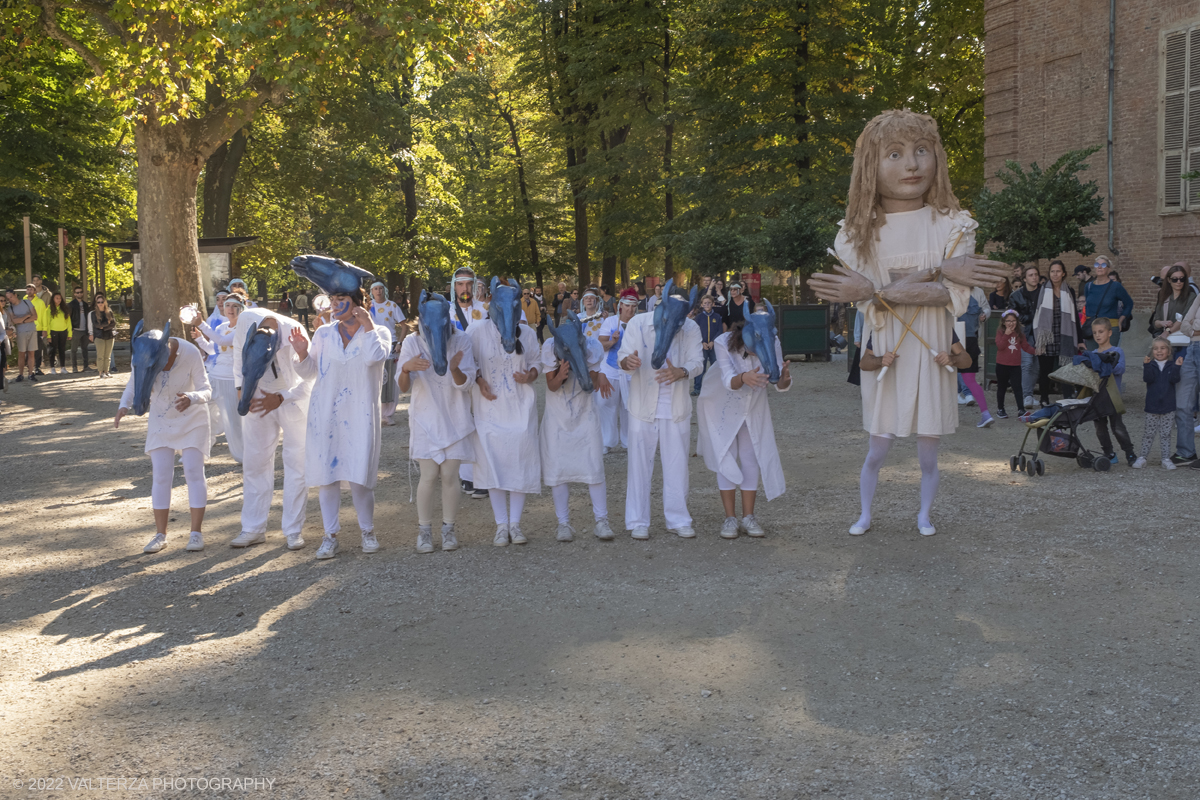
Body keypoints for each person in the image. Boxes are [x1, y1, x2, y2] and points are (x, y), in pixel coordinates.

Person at [807, 109, 1008, 537]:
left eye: (921, 151)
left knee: (929, 455)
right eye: (894, 154)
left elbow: (951, 298)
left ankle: (924, 515)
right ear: (869, 168)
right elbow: (909, 291)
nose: (912, 165)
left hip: (934, 351)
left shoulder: (953, 225)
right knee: (876, 451)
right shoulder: (858, 234)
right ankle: (864, 514)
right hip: (888, 356)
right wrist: (935, 276)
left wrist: (879, 289)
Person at [293, 278, 392, 559]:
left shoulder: (379, 331)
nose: (334, 306)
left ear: (357, 302)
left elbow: (376, 357)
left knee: (360, 476)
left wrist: (368, 326)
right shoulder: (324, 334)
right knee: (328, 476)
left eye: (340, 300)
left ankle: (367, 532)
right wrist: (301, 352)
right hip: (326, 413)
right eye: (332, 300)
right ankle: (330, 535)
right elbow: (311, 372)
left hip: (360, 413)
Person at [617, 283, 704, 539]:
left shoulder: (690, 327)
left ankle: (677, 519)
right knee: (639, 465)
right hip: (642, 406)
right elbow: (623, 357)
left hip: (675, 407)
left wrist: (683, 371)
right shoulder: (638, 324)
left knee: (677, 464)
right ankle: (637, 520)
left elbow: (698, 361)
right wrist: (628, 362)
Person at [114, 324, 212, 554]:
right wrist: (124, 405)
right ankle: (160, 535)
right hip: (160, 418)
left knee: (193, 472)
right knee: (160, 475)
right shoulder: (143, 351)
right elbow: (134, 382)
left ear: (170, 351)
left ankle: (196, 533)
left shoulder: (189, 352)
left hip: (192, 418)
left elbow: (207, 389)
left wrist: (192, 396)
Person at [696, 315, 792, 539]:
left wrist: (785, 378)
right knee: (726, 455)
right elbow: (729, 380)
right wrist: (744, 377)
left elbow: (779, 382)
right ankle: (730, 518)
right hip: (720, 404)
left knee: (751, 456)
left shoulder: (773, 340)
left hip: (754, 406)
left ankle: (748, 516)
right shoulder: (723, 342)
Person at [228, 306, 313, 550]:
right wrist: (239, 388)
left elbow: (310, 380)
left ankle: (293, 529)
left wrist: (281, 397)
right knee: (255, 460)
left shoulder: (297, 334)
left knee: (296, 463)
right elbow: (237, 355)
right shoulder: (246, 320)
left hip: (291, 396)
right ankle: (253, 527)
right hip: (255, 393)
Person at [398, 294, 476, 553]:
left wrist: (454, 368)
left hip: (455, 417)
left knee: (450, 476)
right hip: (425, 418)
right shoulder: (412, 342)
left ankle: (449, 528)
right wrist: (406, 368)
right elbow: (403, 387)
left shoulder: (461, 339)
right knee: (429, 476)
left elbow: (466, 385)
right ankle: (424, 531)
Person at [468, 281, 542, 545]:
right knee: (493, 463)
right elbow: (470, 364)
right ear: (491, 303)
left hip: (520, 406)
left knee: (519, 460)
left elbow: (535, 363)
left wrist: (530, 375)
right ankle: (501, 524)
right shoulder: (476, 331)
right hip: (490, 407)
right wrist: (478, 380)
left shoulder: (528, 333)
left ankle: (516, 524)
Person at [540, 317, 615, 542]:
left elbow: (589, 384)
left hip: (585, 413)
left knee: (593, 466)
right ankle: (563, 523)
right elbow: (551, 386)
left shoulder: (592, 347)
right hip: (558, 417)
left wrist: (595, 374)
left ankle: (601, 521)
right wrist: (561, 376)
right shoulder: (550, 348)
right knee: (558, 469)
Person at [448, 266, 489, 497]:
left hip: (484, 374)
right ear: (454, 286)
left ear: (475, 286)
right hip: (456, 376)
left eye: (469, 284)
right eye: (460, 284)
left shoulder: (486, 310)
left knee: (483, 425)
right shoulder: (446, 312)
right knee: (461, 425)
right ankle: (466, 476)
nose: (465, 288)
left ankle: (484, 475)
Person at [193, 296, 246, 463]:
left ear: (242, 308)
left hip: (231, 379)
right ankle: (199, 452)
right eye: (227, 305)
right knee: (202, 413)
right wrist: (199, 338)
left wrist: (202, 324)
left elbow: (223, 341)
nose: (229, 308)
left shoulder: (243, 328)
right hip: (214, 376)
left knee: (232, 420)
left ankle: (242, 455)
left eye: (234, 306)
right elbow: (214, 349)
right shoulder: (222, 326)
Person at [1082, 318, 1135, 466]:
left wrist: (1104, 363)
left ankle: (1129, 452)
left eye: (1101, 331)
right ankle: (1109, 453)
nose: (1098, 335)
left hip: (1113, 396)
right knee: (1100, 428)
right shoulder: (1092, 353)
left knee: (1117, 427)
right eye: (1094, 333)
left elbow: (1120, 369)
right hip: (1097, 396)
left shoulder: (1117, 351)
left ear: (1109, 333)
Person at [1032, 259, 1083, 405]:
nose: (1055, 274)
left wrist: (1079, 339)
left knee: (1066, 368)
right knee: (1045, 370)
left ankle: (1068, 397)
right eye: (1052, 271)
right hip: (1046, 336)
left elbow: (1075, 318)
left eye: (1058, 271)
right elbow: (1035, 314)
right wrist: (1038, 339)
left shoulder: (1069, 291)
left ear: (1063, 273)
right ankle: (1044, 398)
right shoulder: (1042, 290)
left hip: (1064, 335)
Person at [596, 289, 638, 451]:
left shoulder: (639, 322)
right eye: (627, 305)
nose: (630, 309)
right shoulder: (611, 322)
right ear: (621, 306)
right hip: (610, 369)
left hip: (630, 371)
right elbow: (600, 345)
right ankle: (606, 441)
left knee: (629, 407)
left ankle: (629, 442)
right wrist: (612, 342)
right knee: (605, 403)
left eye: (633, 306)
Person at [1134, 338, 1182, 470]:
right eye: (1156, 348)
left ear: (1168, 351)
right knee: (1149, 433)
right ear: (1152, 351)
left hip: (1168, 406)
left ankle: (1165, 459)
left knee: (1165, 434)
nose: (1159, 351)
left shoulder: (1172, 365)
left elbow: (1175, 379)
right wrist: (1146, 365)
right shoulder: (1152, 365)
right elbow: (1147, 378)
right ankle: (1143, 457)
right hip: (1152, 406)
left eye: (1162, 348)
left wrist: (1178, 367)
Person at [369, 281, 407, 426]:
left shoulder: (392, 306)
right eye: (375, 289)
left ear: (384, 290)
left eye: (380, 288)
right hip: (373, 345)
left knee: (391, 380)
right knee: (375, 378)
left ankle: (388, 414)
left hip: (391, 346)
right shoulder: (368, 307)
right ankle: (376, 412)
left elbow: (404, 325)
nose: (378, 291)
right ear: (372, 291)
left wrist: (400, 343)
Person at [1007, 265, 1044, 409]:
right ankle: (1026, 396)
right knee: (1027, 364)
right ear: (1024, 279)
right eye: (1031, 275)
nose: (1034, 277)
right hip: (1024, 334)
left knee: (1036, 366)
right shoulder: (1016, 295)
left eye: (1036, 274)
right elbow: (1013, 315)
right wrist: (1032, 317)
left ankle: (1028, 394)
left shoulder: (1044, 293)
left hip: (1041, 333)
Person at [1170, 287, 1200, 466]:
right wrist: (1195, 329)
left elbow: (1191, 325)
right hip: (1192, 349)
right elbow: (1185, 324)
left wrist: (1194, 327)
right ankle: (1186, 452)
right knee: (1182, 403)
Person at [956, 287, 994, 427]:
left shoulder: (951, 293)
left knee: (943, 377)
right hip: (970, 340)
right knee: (970, 380)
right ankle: (985, 413)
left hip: (954, 339)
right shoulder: (972, 298)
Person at [1082, 256, 1134, 348]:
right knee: (1093, 358)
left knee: (1108, 358)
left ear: (1108, 269)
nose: (1100, 267)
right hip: (1092, 329)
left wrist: (1122, 318)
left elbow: (1129, 303)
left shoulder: (1115, 286)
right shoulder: (1088, 286)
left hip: (1110, 328)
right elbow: (1088, 305)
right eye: (1097, 264)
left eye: (1103, 264)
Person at [995, 309, 1034, 419]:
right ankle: (1000, 409)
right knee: (1001, 387)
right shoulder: (1000, 332)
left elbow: (1025, 346)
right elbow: (1000, 346)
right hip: (1002, 364)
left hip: (1015, 365)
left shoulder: (1019, 334)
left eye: (1013, 321)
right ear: (1003, 322)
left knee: (1017, 387)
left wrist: (1036, 351)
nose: (1011, 323)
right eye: (1008, 321)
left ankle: (1021, 409)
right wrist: (1006, 335)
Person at [692, 293, 725, 396]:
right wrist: (702, 342)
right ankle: (697, 388)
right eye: (705, 303)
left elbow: (720, 330)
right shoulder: (698, 318)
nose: (707, 305)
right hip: (702, 346)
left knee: (715, 367)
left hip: (713, 346)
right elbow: (695, 332)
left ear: (713, 304)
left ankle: (716, 387)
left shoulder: (717, 317)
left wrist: (713, 342)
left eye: (709, 303)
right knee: (701, 368)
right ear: (702, 305)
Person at [1151, 264, 1196, 340]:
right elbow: (1155, 321)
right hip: (1166, 340)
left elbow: (1185, 319)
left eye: (1182, 279)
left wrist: (1167, 332)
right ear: (1169, 280)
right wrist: (1162, 323)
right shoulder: (1163, 295)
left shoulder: (1191, 296)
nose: (1179, 282)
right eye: (1175, 279)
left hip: (1183, 339)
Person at [6, 289, 39, 382]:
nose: (10, 299)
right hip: (21, 332)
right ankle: (20, 374)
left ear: (15, 295)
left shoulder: (27, 302)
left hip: (32, 330)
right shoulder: (10, 308)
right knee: (21, 353)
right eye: (8, 298)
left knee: (31, 353)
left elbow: (35, 316)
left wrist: (21, 320)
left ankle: (30, 373)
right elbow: (14, 321)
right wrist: (26, 317)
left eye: (11, 297)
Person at [88, 293, 117, 378]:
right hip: (99, 336)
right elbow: (96, 325)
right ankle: (101, 372)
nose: (100, 303)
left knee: (108, 355)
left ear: (105, 302)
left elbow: (113, 324)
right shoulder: (93, 313)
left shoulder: (109, 312)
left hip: (109, 336)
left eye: (102, 302)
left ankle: (106, 371)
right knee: (100, 355)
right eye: (98, 302)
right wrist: (106, 324)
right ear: (96, 303)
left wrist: (103, 327)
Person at [44, 292, 71, 375]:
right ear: (53, 299)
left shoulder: (64, 309)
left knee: (62, 350)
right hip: (53, 331)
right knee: (53, 350)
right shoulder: (48, 309)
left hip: (63, 331)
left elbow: (68, 322)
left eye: (60, 298)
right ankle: (52, 368)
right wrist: (48, 335)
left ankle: (63, 367)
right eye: (57, 298)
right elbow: (47, 323)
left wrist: (69, 333)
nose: (59, 300)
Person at [67, 287, 91, 372]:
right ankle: (74, 367)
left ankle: (86, 366)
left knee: (85, 348)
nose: (79, 294)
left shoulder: (85, 304)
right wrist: (71, 329)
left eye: (80, 292)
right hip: (76, 330)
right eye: (77, 292)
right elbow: (68, 318)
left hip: (85, 330)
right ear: (74, 294)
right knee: (74, 349)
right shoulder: (71, 304)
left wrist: (89, 330)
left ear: (83, 293)